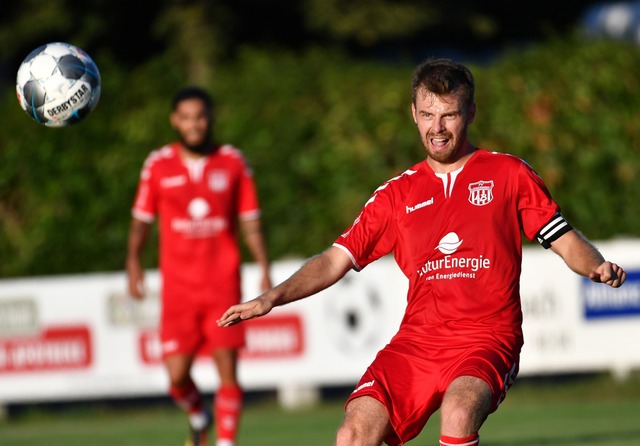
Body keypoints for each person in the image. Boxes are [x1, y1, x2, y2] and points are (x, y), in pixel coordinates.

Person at [217, 58, 627, 446]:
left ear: (470, 113)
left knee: (459, 411)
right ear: (413, 113)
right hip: (416, 343)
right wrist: (271, 298)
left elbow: (563, 237)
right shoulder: (397, 194)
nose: (438, 127)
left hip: (486, 337)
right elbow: (333, 260)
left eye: (449, 114)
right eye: (428, 114)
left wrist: (595, 267)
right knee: (353, 433)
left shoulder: (509, 174)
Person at [126, 86, 272, 446]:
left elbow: (250, 220)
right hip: (178, 289)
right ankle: (197, 415)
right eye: (187, 117)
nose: (195, 124)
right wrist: (132, 261)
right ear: (175, 121)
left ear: (210, 118)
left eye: (201, 116)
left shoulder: (233, 161)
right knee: (176, 378)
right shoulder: (157, 164)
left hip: (222, 283)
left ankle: (224, 442)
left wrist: (264, 265)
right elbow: (141, 221)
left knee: (227, 371)